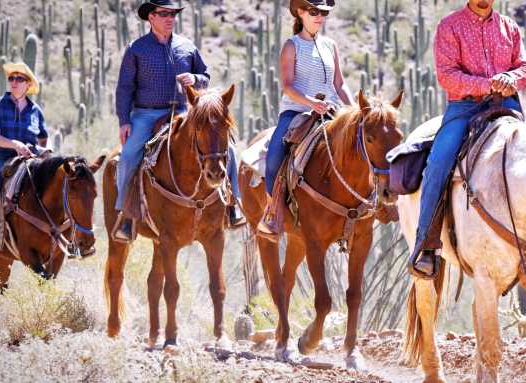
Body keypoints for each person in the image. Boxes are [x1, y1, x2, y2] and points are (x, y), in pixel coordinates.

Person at [409, 0, 526, 279]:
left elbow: (525, 69)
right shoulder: (450, 27)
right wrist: (488, 83)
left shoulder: (509, 28)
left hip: (507, 106)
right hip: (465, 110)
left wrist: (509, 78)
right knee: (439, 163)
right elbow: (448, 75)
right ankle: (426, 244)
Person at [114, 0, 244, 242]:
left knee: (230, 150)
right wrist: (124, 121)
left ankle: (233, 205)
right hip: (146, 114)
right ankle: (126, 215)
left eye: (172, 14)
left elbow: (205, 76)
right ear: (151, 17)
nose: (169, 18)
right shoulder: (136, 49)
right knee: (128, 156)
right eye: (163, 14)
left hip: (186, 112)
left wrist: (194, 78)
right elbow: (124, 88)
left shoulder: (187, 47)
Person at [255, 0, 353, 239]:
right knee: (275, 157)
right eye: (314, 12)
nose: (320, 17)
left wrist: (354, 109)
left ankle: (373, 203)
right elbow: (287, 86)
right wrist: (312, 103)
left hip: (331, 111)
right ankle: (274, 213)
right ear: (300, 12)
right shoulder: (292, 45)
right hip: (297, 112)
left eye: (324, 13)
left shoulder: (331, 45)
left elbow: (339, 84)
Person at [0, 62, 47, 267]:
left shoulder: (35, 111)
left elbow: (43, 138)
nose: (13, 82)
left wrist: (41, 153)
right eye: (11, 78)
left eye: (19, 78)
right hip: (0, 158)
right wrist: (14, 144)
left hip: (28, 160)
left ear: (28, 84)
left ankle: (59, 235)